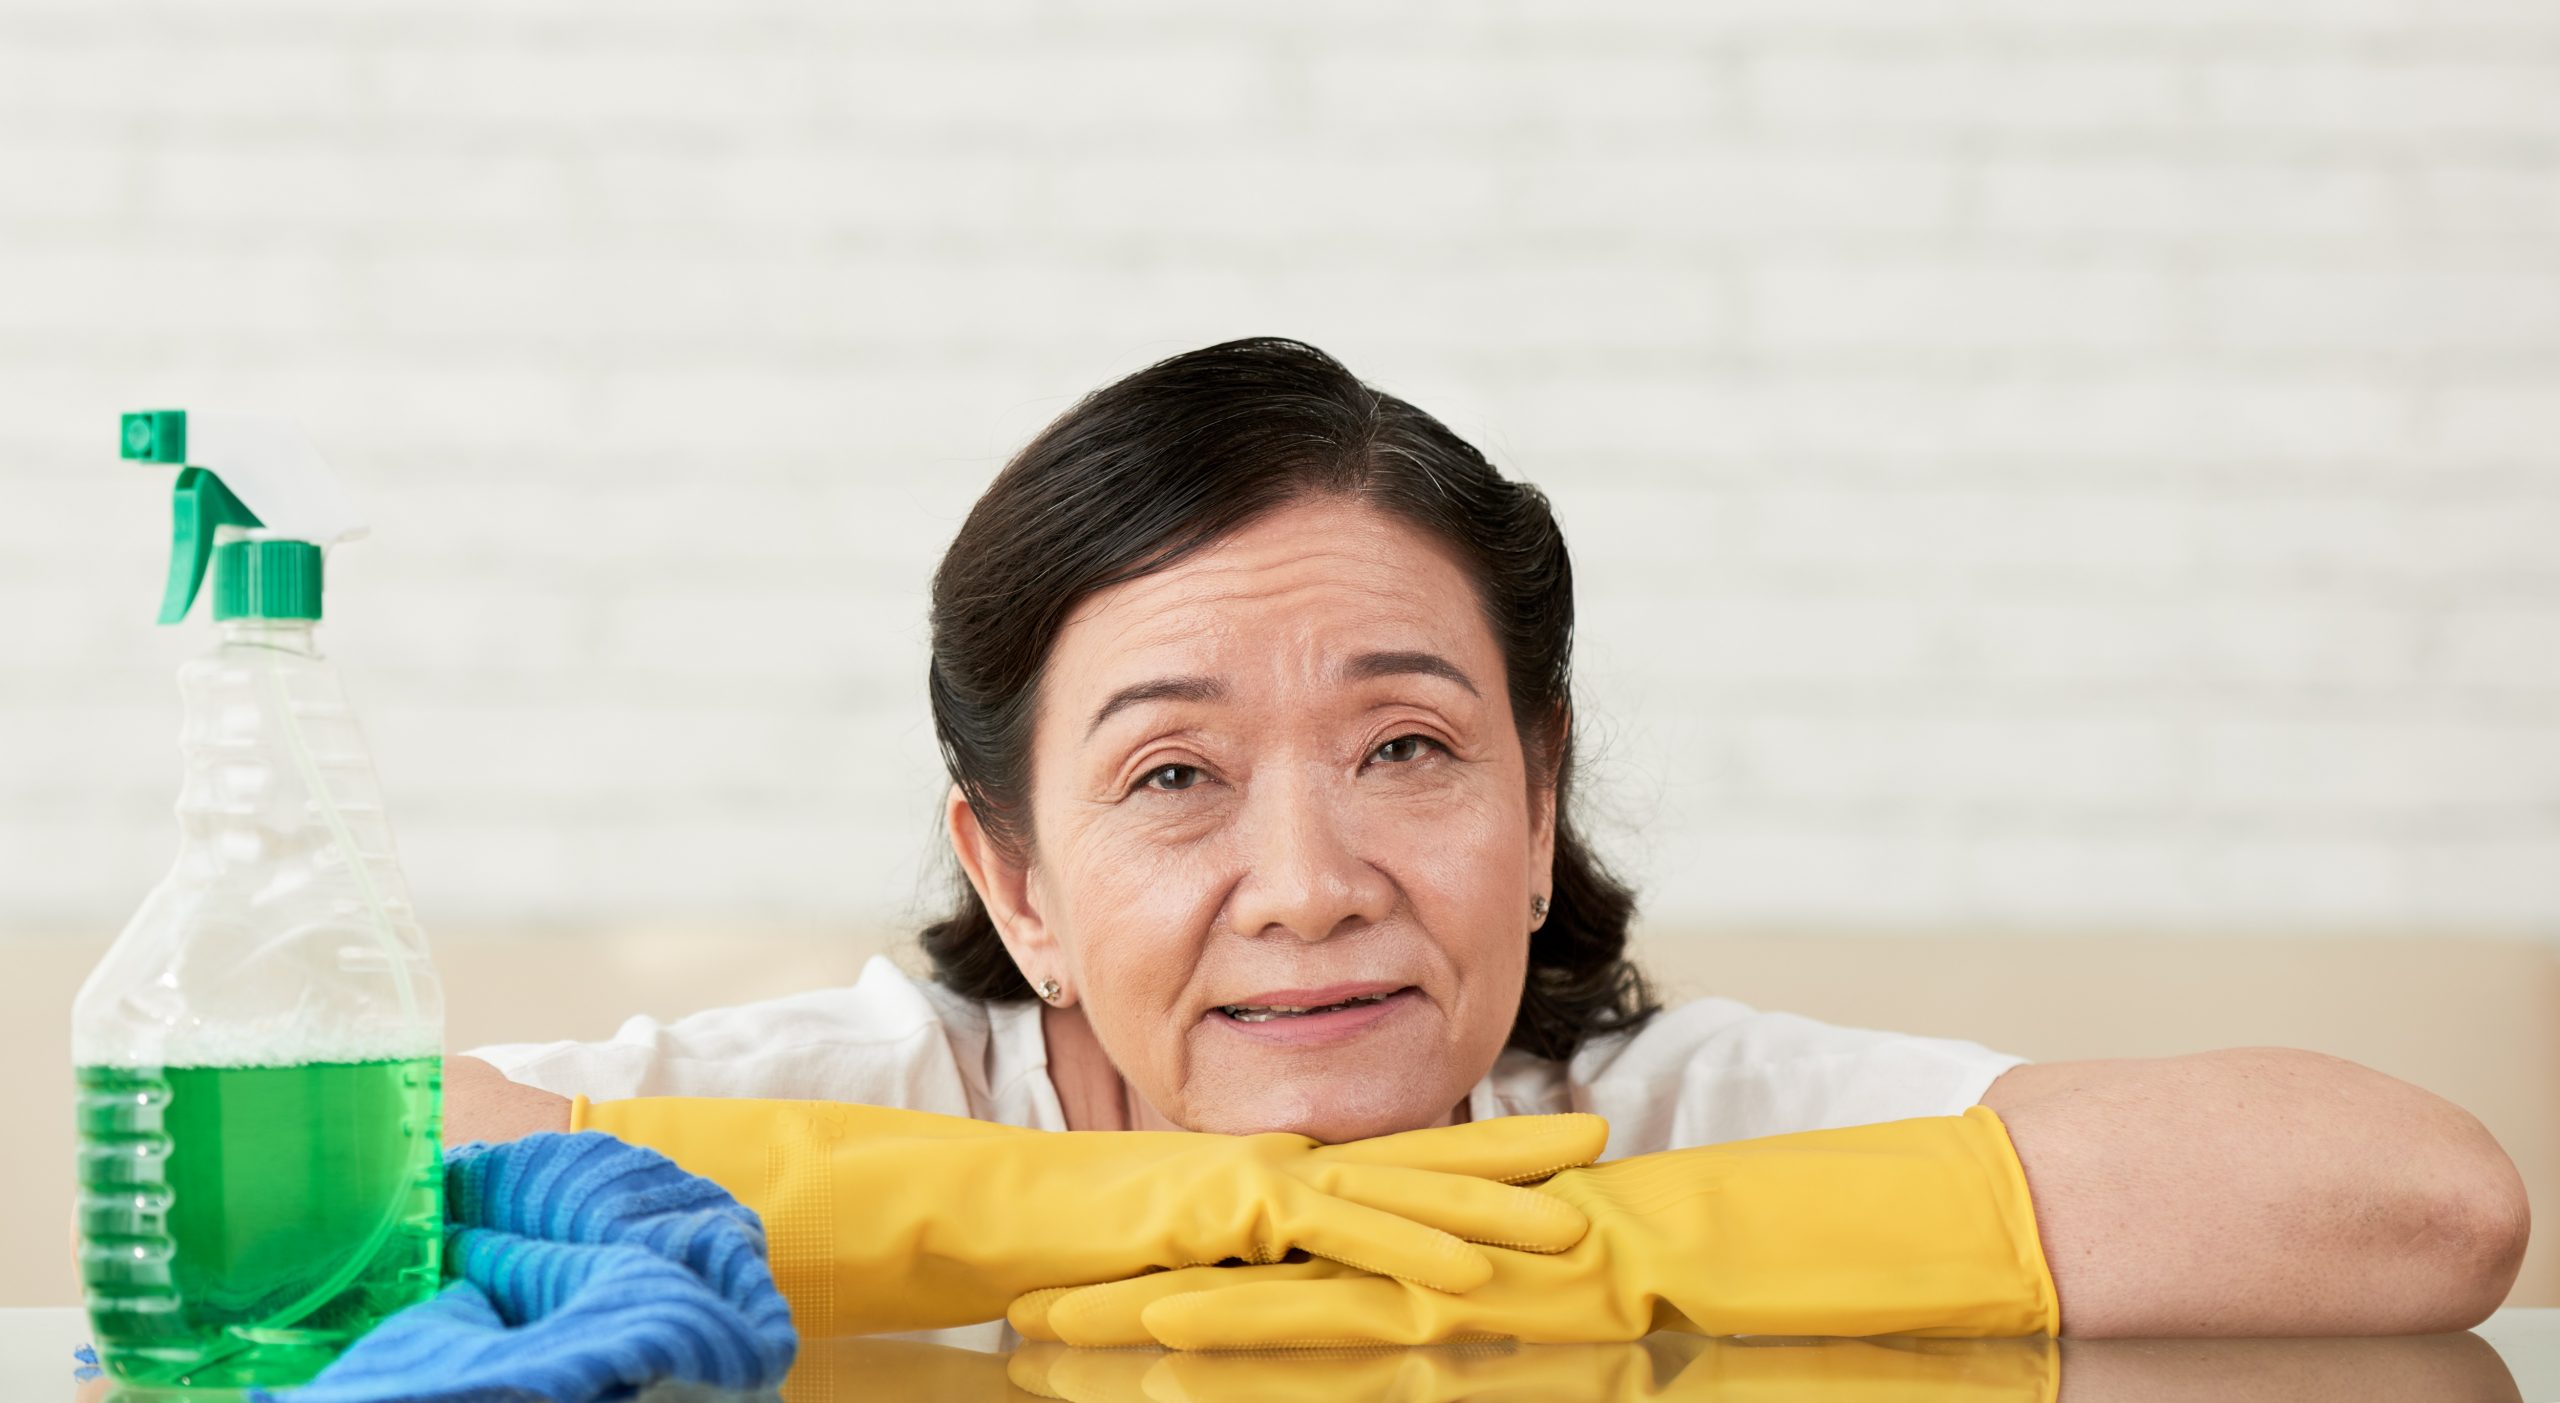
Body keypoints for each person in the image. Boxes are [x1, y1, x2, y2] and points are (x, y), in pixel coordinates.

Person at [449, 337, 2529, 1346]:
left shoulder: (1626, 1120)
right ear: (1012, 876)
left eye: (1408, 749)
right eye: (1172, 776)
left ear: (1535, 806)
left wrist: (1603, 1250)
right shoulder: (877, 1094)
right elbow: (314, 1150)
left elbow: (2416, 1205)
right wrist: (1143, 1220)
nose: (1310, 878)